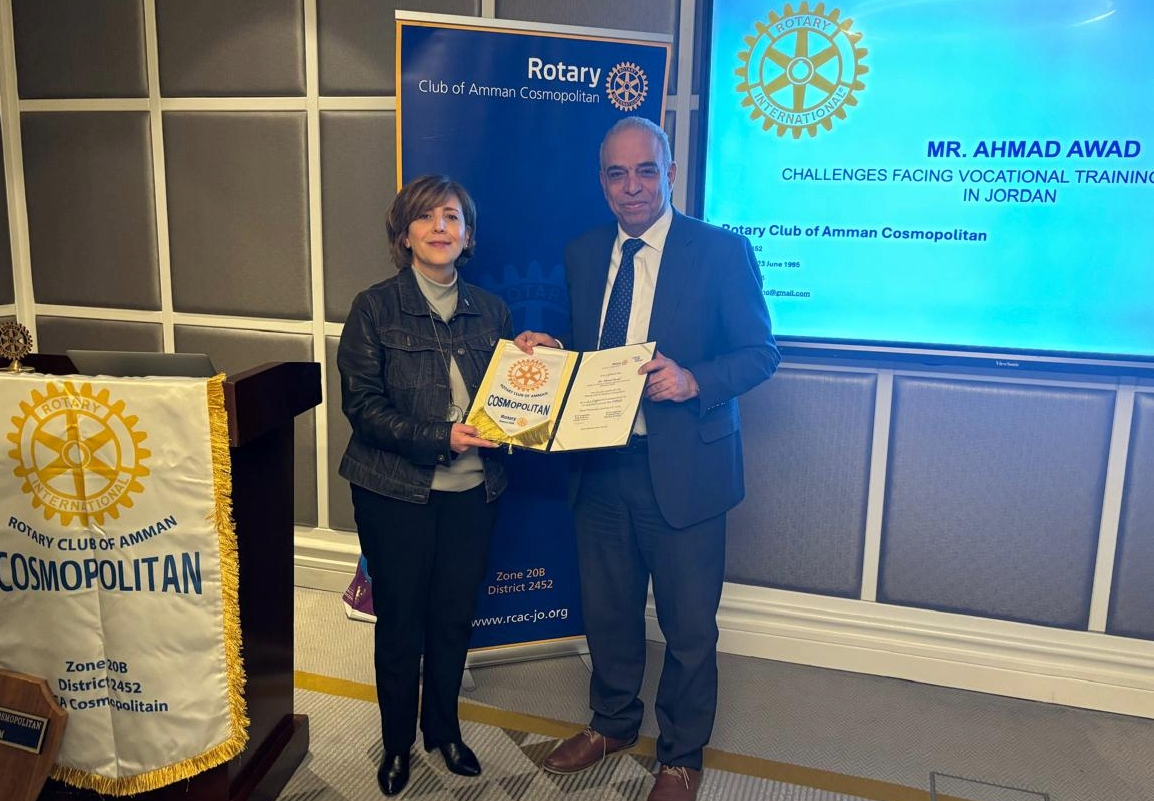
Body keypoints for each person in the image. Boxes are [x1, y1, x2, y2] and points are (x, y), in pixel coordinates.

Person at [514, 117, 779, 801]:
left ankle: (681, 755)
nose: (631, 186)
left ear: (670, 174)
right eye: (617, 173)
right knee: (608, 612)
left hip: (686, 470)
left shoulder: (721, 251)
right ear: (602, 181)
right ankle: (611, 723)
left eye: (645, 171)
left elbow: (761, 352)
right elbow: (593, 350)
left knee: (688, 627)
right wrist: (554, 353)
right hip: (600, 465)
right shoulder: (583, 252)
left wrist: (694, 380)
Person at [337, 174, 512, 797]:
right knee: (401, 622)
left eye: (452, 217)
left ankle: (443, 730)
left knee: (453, 617)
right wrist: (441, 436)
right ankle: (396, 744)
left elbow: (508, 398)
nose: (441, 227)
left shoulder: (493, 311)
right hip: (394, 492)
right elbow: (362, 407)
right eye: (426, 217)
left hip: (474, 491)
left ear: (468, 235)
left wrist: (533, 363)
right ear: (404, 234)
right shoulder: (373, 308)